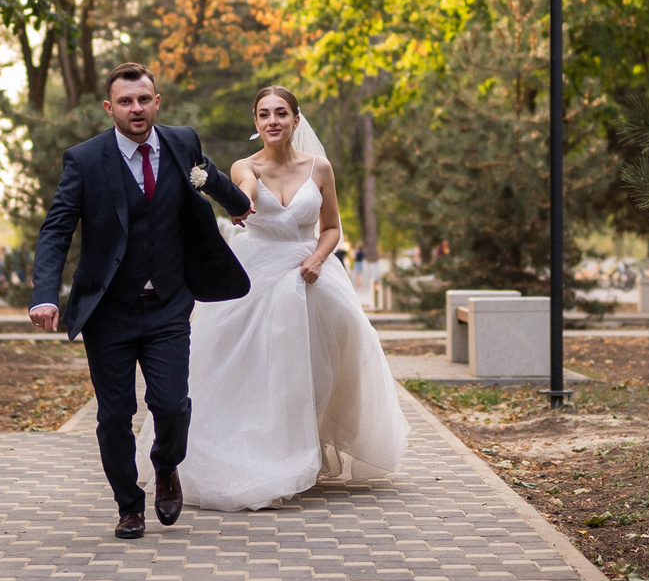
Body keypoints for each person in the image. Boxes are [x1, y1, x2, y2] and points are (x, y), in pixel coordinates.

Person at [29, 63, 254, 539]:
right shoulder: (86, 161)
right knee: (114, 416)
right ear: (110, 108)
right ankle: (128, 505)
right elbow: (56, 230)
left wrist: (233, 201)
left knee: (172, 404)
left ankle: (167, 465)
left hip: (170, 303)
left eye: (144, 99)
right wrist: (45, 295)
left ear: (157, 101)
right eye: (126, 102)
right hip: (108, 310)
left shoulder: (181, 141)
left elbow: (208, 177)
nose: (137, 108)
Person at [180, 86, 407, 511]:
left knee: (320, 367)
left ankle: (306, 446)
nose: (273, 121)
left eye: (281, 113)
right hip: (255, 275)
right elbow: (244, 193)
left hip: (309, 275)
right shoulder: (245, 167)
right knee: (256, 366)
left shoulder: (319, 168)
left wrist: (319, 259)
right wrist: (237, 201)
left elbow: (332, 228)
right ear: (256, 123)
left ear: (296, 120)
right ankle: (259, 451)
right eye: (264, 114)